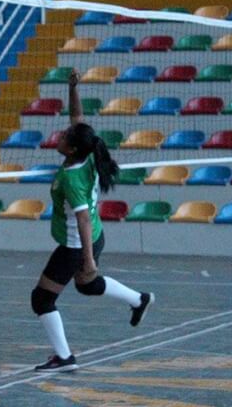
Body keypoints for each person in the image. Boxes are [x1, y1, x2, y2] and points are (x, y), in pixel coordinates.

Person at [31, 70, 155, 372]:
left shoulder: (73, 178)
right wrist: (73, 88)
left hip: (78, 243)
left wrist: (87, 259)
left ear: (71, 148)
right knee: (86, 286)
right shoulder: (86, 154)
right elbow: (77, 116)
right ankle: (139, 300)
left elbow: (83, 219)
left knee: (42, 299)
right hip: (95, 235)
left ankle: (64, 357)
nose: (59, 136)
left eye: (63, 137)